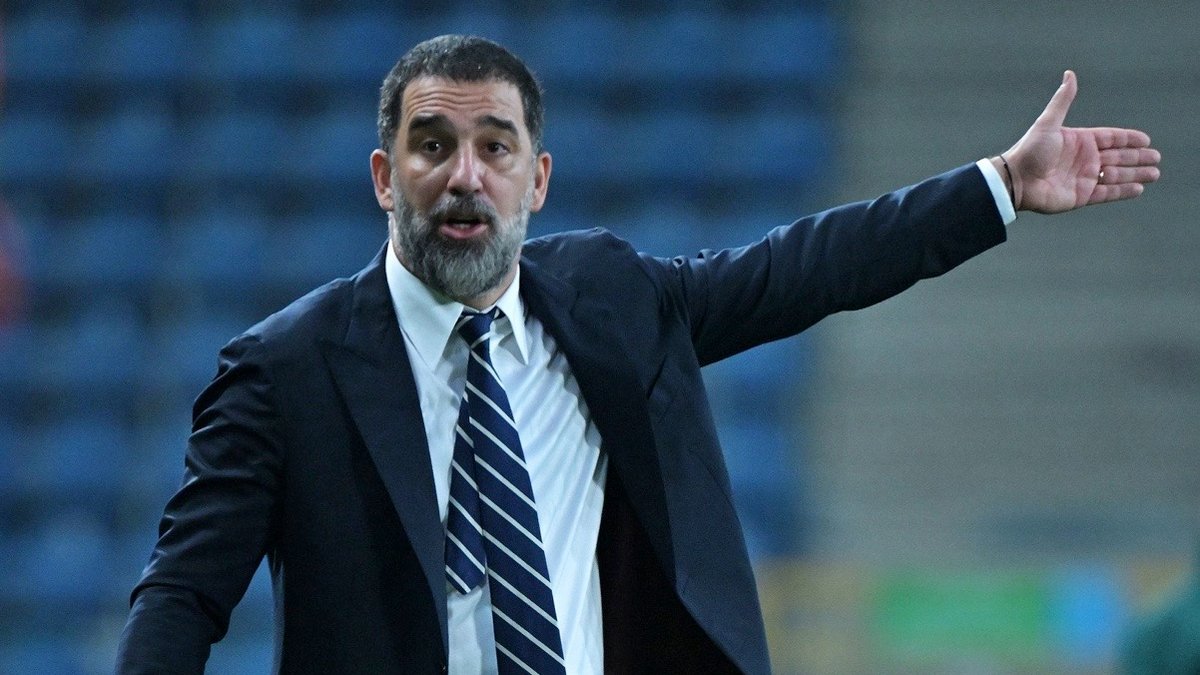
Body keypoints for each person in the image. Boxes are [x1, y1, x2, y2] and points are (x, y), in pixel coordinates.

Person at [116, 35, 1160, 674]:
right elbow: (183, 596)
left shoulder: (610, 299)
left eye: (496, 147)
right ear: (386, 178)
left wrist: (999, 187)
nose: (465, 175)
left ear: (538, 180)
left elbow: (804, 268)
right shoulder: (284, 371)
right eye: (433, 146)